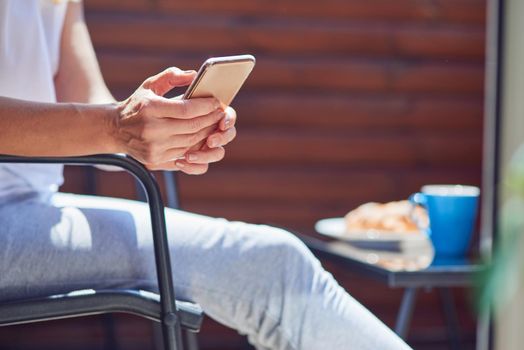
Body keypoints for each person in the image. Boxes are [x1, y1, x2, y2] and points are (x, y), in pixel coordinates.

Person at [0, 1, 410, 349]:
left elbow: (88, 104)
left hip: (36, 208)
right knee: (270, 266)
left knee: (272, 260)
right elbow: (104, 124)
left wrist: (159, 130)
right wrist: (115, 126)